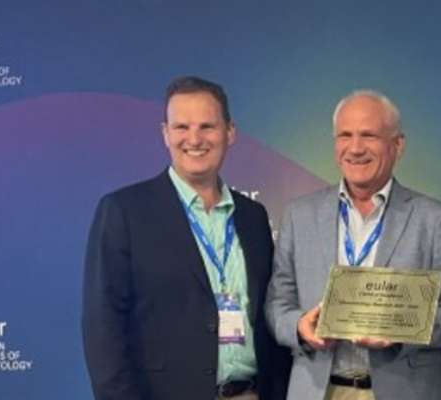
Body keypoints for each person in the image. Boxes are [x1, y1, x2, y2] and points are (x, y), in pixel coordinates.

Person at [82, 76, 291, 400]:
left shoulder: (253, 216)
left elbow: (268, 317)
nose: (194, 139)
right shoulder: (125, 212)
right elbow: (103, 331)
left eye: (207, 126)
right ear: (165, 134)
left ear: (230, 132)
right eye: (181, 127)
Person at [265, 90, 441, 400]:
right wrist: (299, 327)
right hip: (318, 390)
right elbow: (277, 302)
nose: (355, 148)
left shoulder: (435, 218)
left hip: (405, 390)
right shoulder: (300, 214)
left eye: (369, 135)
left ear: (397, 145)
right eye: (345, 135)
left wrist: (401, 330)